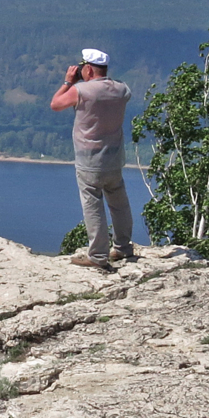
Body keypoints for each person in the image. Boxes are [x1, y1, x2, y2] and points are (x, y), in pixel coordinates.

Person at [50, 48, 136, 271]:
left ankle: (98, 256)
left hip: (89, 159)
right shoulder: (121, 89)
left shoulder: (81, 91)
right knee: (119, 203)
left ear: (87, 68)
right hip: (114, 157)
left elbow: (56, 104)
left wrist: (68, 81)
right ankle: (124, 248)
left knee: (93, 205)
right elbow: (117, 89)